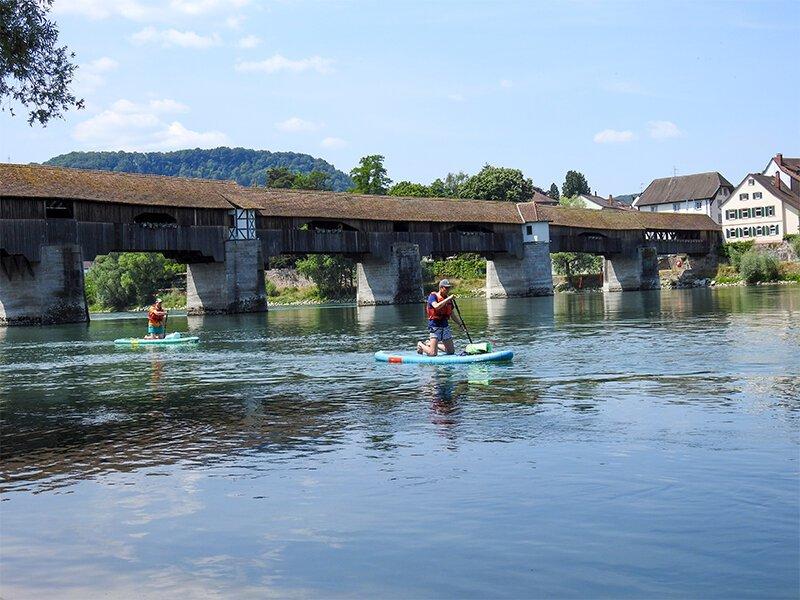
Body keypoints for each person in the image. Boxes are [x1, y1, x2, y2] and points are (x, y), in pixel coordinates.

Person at [417, 279, 464, 356]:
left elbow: (452, 314)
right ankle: (420, 345)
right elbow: (436, 306)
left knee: (451, 352)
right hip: (435, 326)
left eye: (449, 288)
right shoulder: (433, 296)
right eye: (446, 288)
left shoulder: (448, 299)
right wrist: (448, 299)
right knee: (432, 354)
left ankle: (429, 344)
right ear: (441, 288)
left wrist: (460, 324)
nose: (448, 290)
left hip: (445, 326)